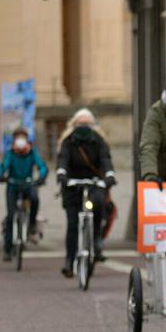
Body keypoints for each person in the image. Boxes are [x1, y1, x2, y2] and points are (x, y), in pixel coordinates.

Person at [55, 108, 116, 277]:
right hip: (72, 186)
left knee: (98, 207)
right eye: (80, 123)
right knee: (72, 224)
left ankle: (96, 242)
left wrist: (109, 175)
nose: (84, 126)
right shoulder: (68, 142)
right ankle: (69, 261)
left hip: (94, 184)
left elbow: (106, 160)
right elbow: (62, 160)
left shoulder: (99, 141)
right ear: (73, 125)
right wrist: (62, 174)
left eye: (87, 123)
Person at [0, 127, 48, 261]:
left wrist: (41, 177)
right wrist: (1, 175)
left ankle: (32, 224)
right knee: (10, 216)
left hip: (28, 184)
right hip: (13, 185)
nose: (20, 140)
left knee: (35, 199)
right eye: (17, 137)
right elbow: (3, 166)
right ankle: (7, 249)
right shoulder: (10, 153)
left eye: (22, 137)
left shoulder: (32, 152)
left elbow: (42, 166)